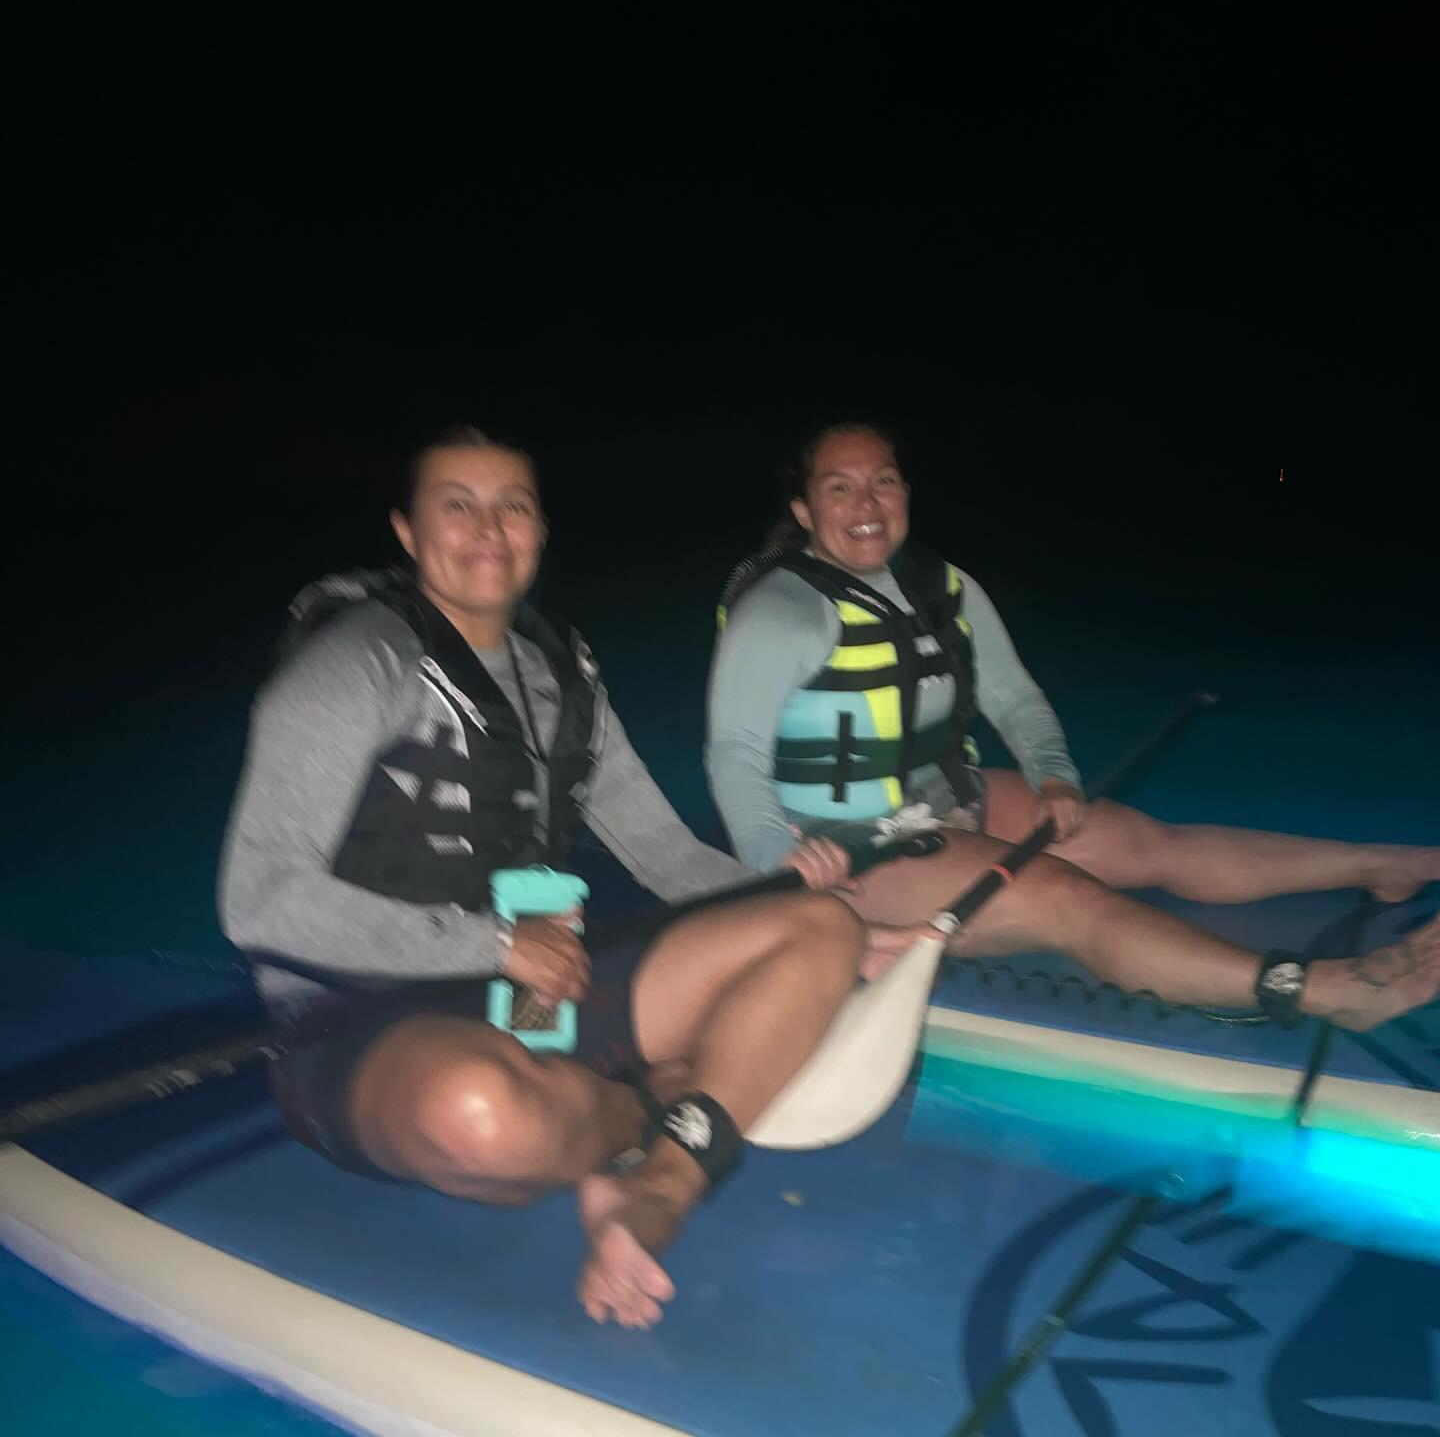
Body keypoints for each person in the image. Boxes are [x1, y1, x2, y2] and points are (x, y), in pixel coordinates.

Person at [219, 425, 871, 1331]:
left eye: (512, 505)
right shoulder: (350, 668)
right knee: (481, 1115)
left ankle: (660, 1188)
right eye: (459, 504)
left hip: (539, 998)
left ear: (540, 528)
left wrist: (809, 900)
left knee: (824, 932)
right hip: (361, 1023)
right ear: (408, 533)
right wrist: (490, 943)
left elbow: (668, 855)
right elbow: (259, 900)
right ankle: (655, 1102)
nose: (490, 529)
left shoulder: (560, 672)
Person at [705, 421, 1440, 1027]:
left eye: (883, 480)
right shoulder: (782, 610)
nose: (867, 502)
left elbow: (1016, 698)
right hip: (850, 855)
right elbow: (732, 752)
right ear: (804, 510)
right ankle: (1327, 990)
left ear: (904, 491)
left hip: (940, 801)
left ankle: (1386, 864)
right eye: (840, 487)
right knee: (1068, 898)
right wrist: (781, 858)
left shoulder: (939, 585)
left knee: (1147, 842)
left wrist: (1051, 771)